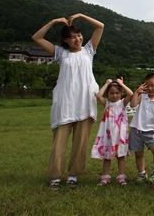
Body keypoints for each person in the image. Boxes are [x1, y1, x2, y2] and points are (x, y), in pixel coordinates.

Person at [32, 13, 104, 189]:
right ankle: (55, 176)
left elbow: (100, 26)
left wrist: (80, 15)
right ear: (65, 41)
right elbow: (36, 37)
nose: (77, 39)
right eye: (72, 38)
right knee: (59, 143)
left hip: (85, 103)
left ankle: (73, 175)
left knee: (80, 144)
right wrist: (54, 21)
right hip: (65, 104)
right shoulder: (61, 53)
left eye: (78, 35)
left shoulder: (89, 50)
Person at [92, 78, 133, 186]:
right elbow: (98, 95)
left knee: (121, 156)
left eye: (117, 93)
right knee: (107, 156)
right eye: (111, 93)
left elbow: (131, 94)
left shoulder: (122, 103)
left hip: (120, 134)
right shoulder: (107, 103)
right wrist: (107, 83)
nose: (114, 95)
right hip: (108, 135)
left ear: (121, 93)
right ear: (108, 94)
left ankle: (121, 177)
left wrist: (121, 84)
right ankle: (105, 177)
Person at [129, 73, 154, 183]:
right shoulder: (142, 97)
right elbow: (133, 104)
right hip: (136, 129)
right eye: (147, 86)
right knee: (138, 154)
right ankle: (141, 173)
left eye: (153, 85)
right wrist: (137, 91)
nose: (150, 88)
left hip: (151, 131)